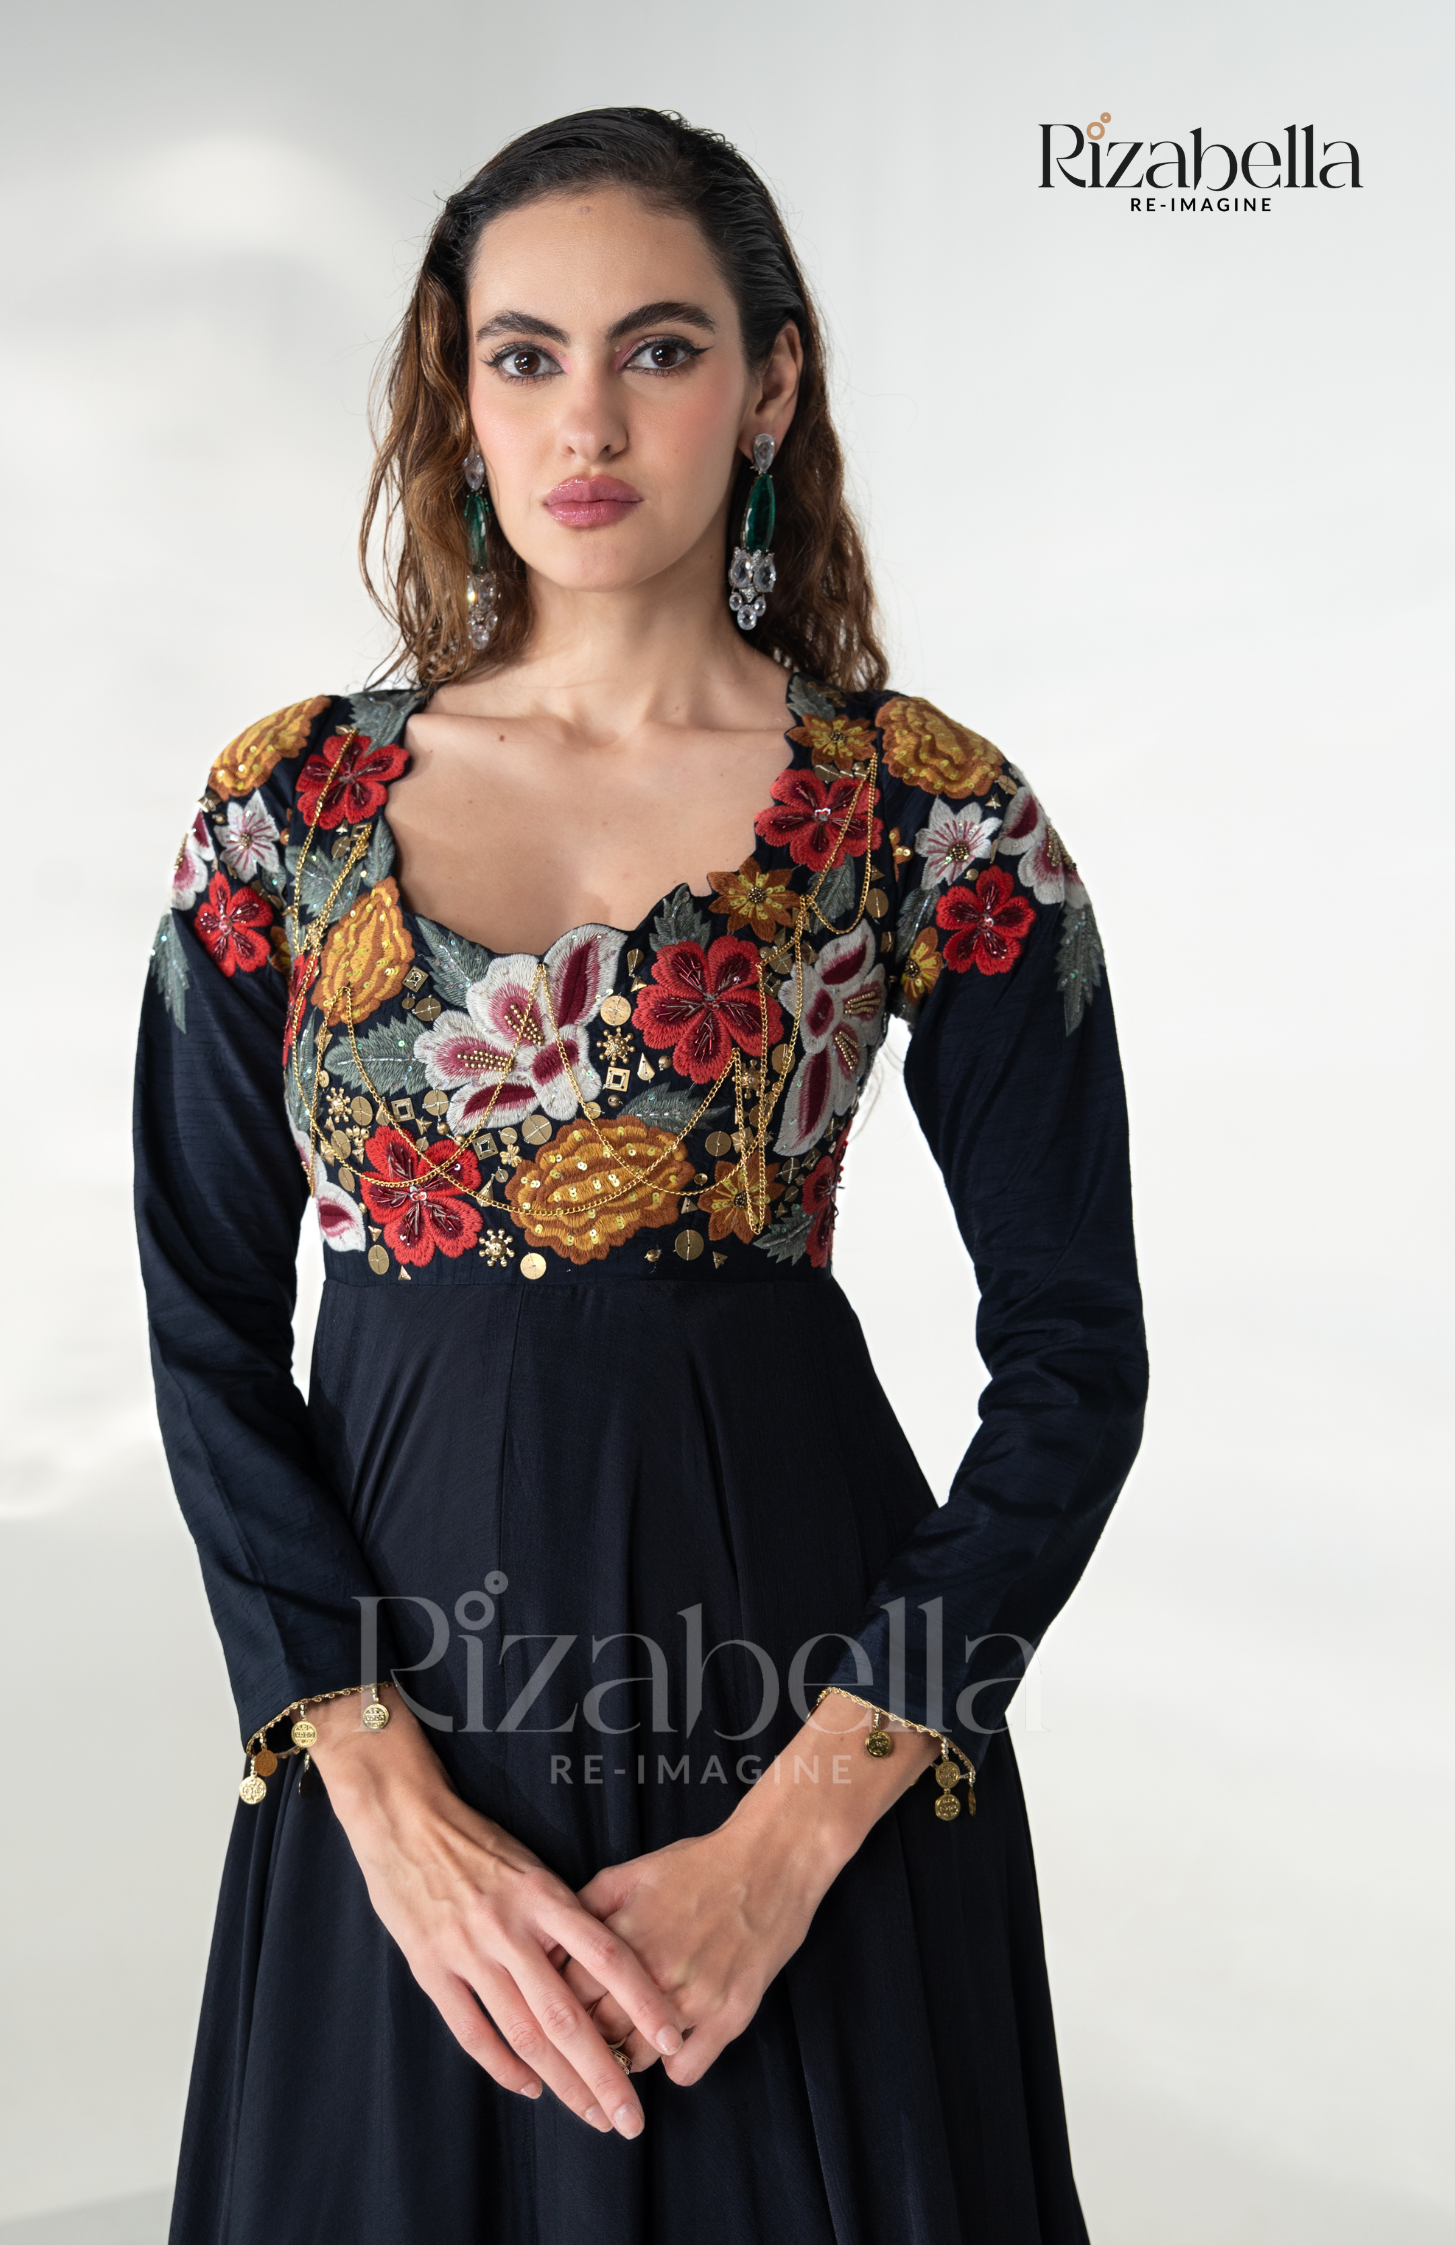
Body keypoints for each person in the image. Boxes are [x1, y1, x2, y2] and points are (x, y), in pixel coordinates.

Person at [135, 105, 1147, 2245]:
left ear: (768, 386)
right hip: (402, 1772)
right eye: (526, 356)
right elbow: (205, 1323)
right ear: (460, 394)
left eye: (658, 350)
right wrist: (376, 1792)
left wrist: (792, 1842)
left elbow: (1076, 1362)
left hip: (799, 1751)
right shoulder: (284, 809)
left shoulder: (926, 814)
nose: (585, 421)